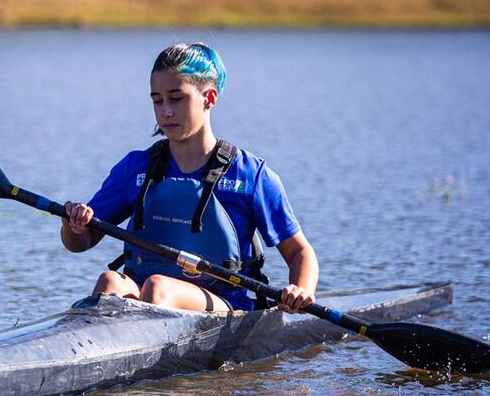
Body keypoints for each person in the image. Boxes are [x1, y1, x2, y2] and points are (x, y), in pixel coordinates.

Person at [61, 43, 318, 314]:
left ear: (210, 98)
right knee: (110, 280)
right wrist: (73, 227)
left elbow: (300, 253)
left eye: (176, 98)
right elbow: (81, 243)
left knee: (158, 287)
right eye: (157, 100)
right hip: (145, 295)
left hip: (223, 303)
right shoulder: (136, 168)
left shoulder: (251, 176)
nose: (165, 112)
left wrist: (300, 290)